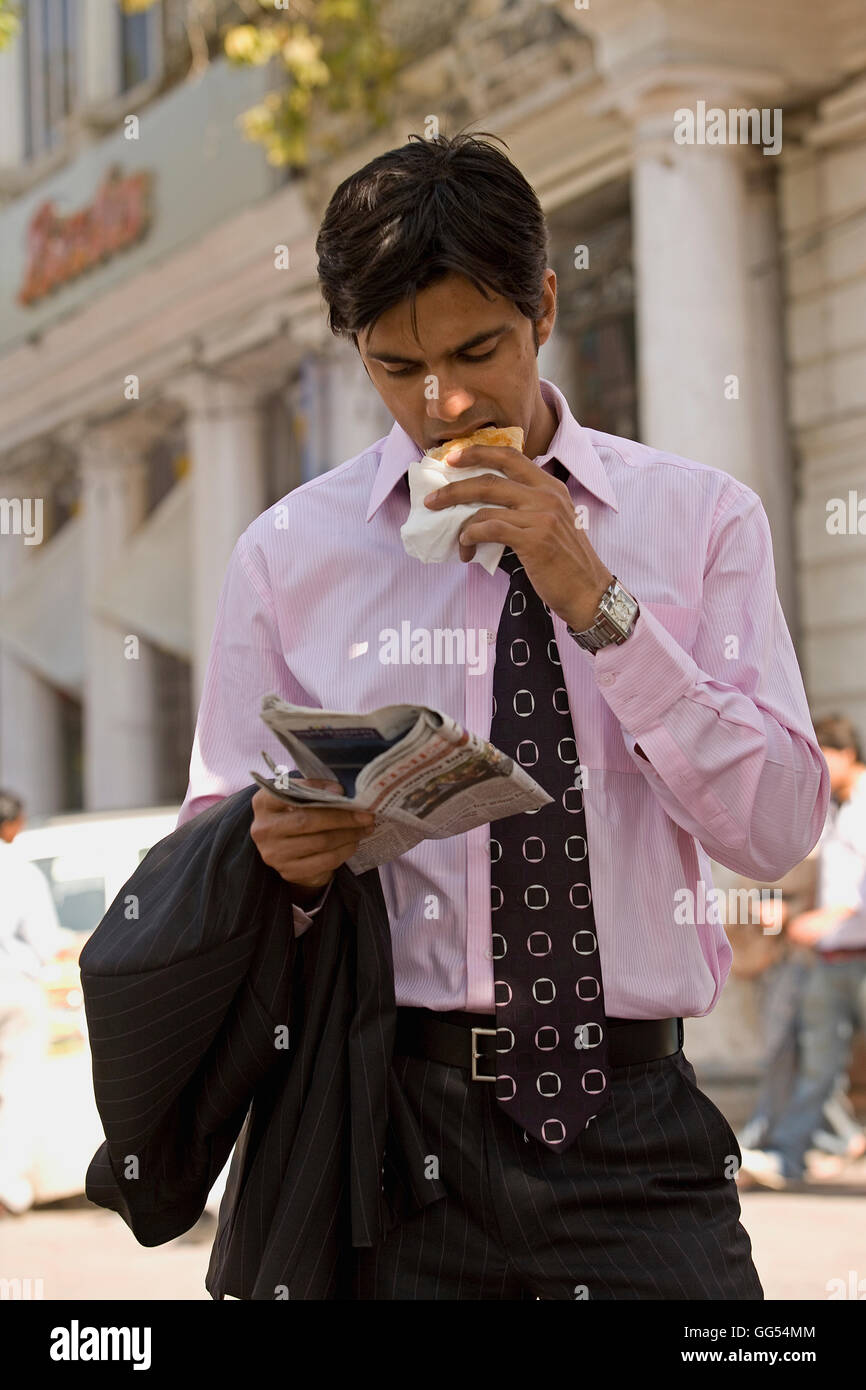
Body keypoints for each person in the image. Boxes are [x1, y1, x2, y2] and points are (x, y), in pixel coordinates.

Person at [177, 132, 829, 1299]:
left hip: (636, 1134)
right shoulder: (286, 555)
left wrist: (595, 599)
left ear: (542, 303)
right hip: (389, 1127)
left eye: (477, 349)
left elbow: (777, 829)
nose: (444, 402)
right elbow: (213, 848)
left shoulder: (700, 522)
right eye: (396, 368)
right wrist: (272, 857)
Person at [737, 715, 866, 1188]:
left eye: (823, 756)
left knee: (814, 1061)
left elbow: (855, 897)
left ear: (845, 754)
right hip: (830, 960)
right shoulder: (835, 809)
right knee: (815, 1064)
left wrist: (816, 920)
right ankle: (787, 1158)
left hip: (854, 954)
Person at [0, 789, 70, 1216]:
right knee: (17, 1087)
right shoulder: (21, 873)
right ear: (15, 825)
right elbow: (44, 943)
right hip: (13, 987)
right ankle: (8, 1187)